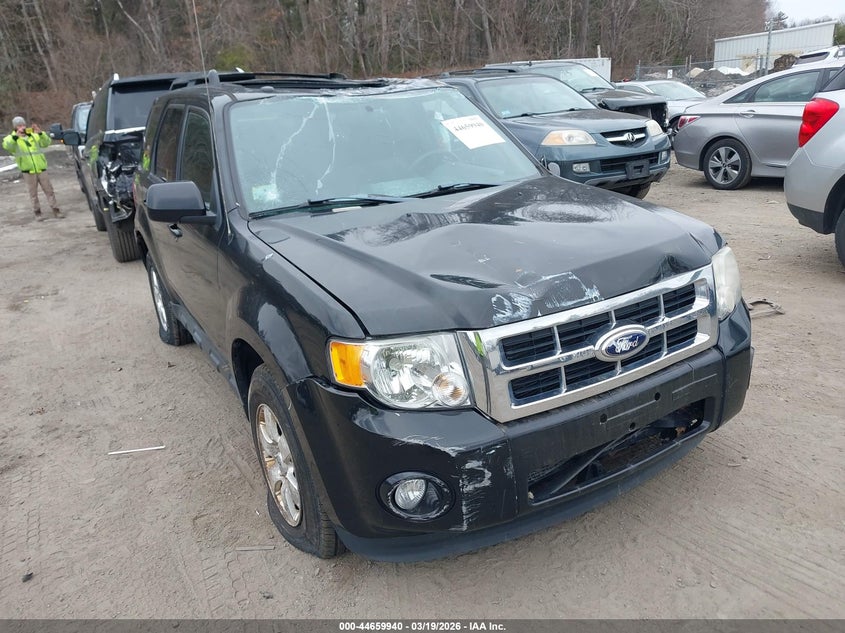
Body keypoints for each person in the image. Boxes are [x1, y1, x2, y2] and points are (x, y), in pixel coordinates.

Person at [2, 115, 63, 221]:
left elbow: (46, 143)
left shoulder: (33, 136)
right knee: (33, 193)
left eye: (23, 125)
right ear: (15, 127)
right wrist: (16, 136)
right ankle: (37, 212)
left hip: (41, 168)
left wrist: (40, 133)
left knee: (49, 190)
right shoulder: (11, 139)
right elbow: (8, 146)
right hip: (28, 171)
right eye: (19, 126)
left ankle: (56, 209)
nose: (22, 127)